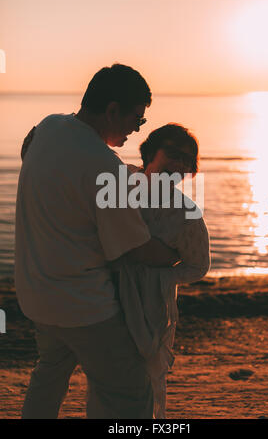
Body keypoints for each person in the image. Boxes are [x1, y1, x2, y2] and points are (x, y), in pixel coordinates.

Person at [15, 64, 179, 419]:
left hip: (35, 295)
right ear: (112, 110)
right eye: (136, 118)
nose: (137, 129)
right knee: (129, 393)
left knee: (48, 378)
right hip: (83, 306)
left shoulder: (48, 127)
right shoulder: (107, 168)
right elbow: (135, 247)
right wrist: (176, 255)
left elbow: (30, 151)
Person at [111, 123, 210, 418]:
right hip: (104, 293)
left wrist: (158, 274)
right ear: (150, 154)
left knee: (146, 384)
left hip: (151, 307)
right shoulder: (118, 182)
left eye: (187, 160)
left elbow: (198, 266)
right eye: (174, 153)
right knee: (108, 379)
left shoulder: (186, 213)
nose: (180, 163)